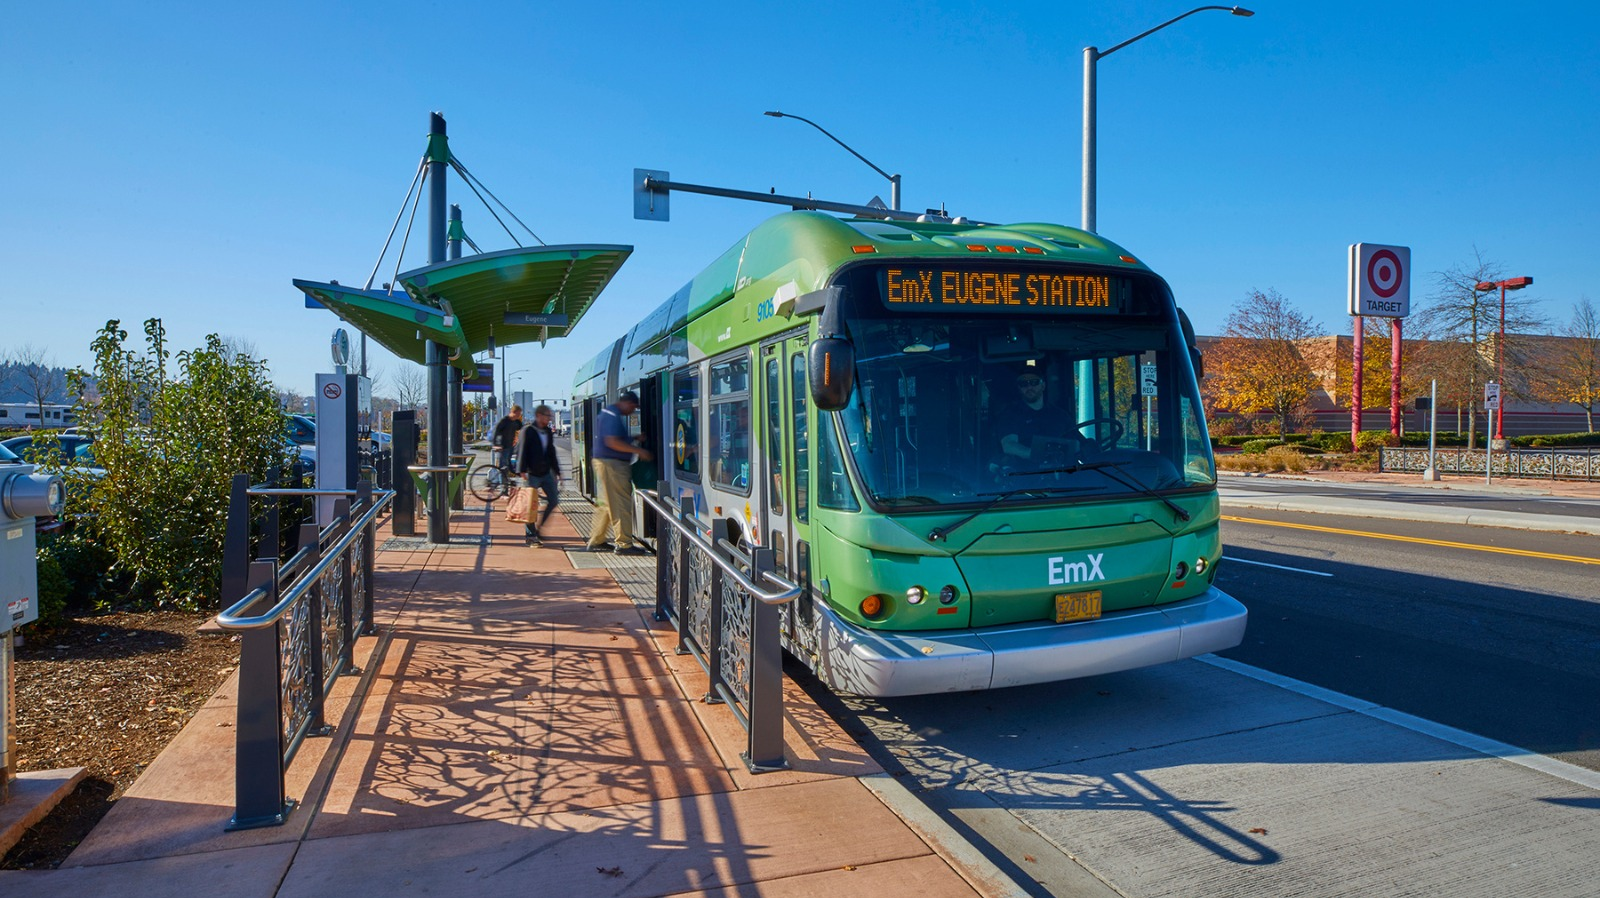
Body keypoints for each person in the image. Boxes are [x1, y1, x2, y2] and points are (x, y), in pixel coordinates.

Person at [586, 390, 652, 554]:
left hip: (606, 463)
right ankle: (624, 544)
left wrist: (634, 437)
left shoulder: (609, 412)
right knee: (621, 503)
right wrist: (639, 451)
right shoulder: (613, 415)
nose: (633, 411)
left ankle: (597, 540)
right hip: (613, 465)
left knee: (607, 504)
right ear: (627, 403)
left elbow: (614, 438)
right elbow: (612, 442)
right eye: (633, 407)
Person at [996, 368, 1073, 466]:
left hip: (1062, 473)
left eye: (1034, 382)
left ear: (1043, 385)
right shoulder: (1009, 415)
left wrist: (1091, 449)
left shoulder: (1060, 415)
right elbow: (1009, 445)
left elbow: (1077, 441)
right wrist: (1042, 455)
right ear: (1019, 388)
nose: (1029, 387)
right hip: (1025, 475)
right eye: (1024, 384)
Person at [515, 404, 561, 546]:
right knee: (530, 505)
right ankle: (530, 535)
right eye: (547, 416)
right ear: (539, 416)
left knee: (553, 500)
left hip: (546, 472)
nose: (549, 419)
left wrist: (558, 471)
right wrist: (522, 470)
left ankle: (539, 529)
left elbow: (551, 451)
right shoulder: (527, 431)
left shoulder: (547, 431)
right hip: (531, 473)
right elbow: (522, 450)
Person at [491, 405, 523, 471]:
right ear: (513, 412)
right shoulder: (504, 421)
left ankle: (508, 480)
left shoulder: (516, 422)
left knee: (509, 466)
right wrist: (496, 444)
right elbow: (496, 432)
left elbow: (522, 428)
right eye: (518, 413)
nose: (519, 415)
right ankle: (500, 480)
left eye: (520, 414)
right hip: (503, 447)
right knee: (503, 466)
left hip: (510, 446)